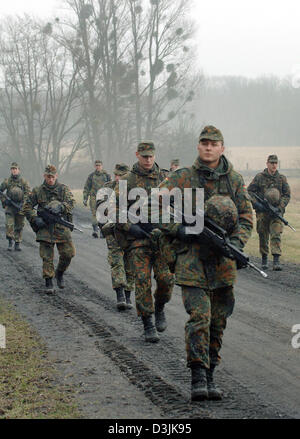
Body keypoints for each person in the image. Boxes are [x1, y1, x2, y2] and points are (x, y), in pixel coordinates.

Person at [157, 126, 253, 401]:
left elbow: (246, 216)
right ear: (198, 147)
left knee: (218, 322)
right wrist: (179, 229)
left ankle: (211, 374)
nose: (208, 147)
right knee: (199, 318)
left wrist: (237, 243)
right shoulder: (182, 177)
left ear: (222, 147)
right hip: (192, 262)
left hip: (223, 263)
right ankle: (198, 374)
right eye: (204, 143)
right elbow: (154, 206)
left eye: (214, 143)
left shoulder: (234, 180)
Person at [113, 142, 174, 343]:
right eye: (144, 156)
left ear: (154, 156)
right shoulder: (126, 180)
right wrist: (130, 227)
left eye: (151, 156)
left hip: (162, 239)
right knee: (142, 281)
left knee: (166, 280)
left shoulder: (166, 178)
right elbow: (115, 210)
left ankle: (160, 307)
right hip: (138, 240)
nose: (148, 160)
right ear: (137, 155)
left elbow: (177, 205)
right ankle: (147, 322)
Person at [23, 165, 76, 293]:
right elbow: (27, 207)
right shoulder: (38, 191)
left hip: (61, 227)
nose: (50, 179)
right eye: (48, 176)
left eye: (52, 176)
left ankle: (59, 273)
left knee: (69, 254)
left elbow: (71, 202)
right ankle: (48, 281)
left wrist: (62, 207)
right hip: (45, 228)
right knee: (47, 257)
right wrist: (35, 218)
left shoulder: (63, 189)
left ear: (56, 176)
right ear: (44, 176)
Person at [97, 163, 134, 311]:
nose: (117, 178)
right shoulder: (107, 188)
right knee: (117, 261)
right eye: (116, 175)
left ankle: (128, 294)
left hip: (131, 231)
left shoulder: (133, 188)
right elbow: (101, 206)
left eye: (121, 175)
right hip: (113, 231)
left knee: (130, 264)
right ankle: (120, 295)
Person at [247, 154, 291, 271]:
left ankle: (276, 260)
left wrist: (280, 207)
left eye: (275, 163)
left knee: (276, 233)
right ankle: (264, 259)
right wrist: (257, 204)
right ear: (267, 163)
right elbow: (250, 191)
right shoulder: (259, 177)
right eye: (271, 163)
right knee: (263, 234)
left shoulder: (281, 179)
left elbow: (287, 195)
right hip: (263, 212)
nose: (274, 165)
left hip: (276, 212)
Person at [0, 162, 30, 251]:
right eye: (12, 169)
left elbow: (28, 193)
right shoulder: (7, 181)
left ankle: (17, 243)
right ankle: (10, 242)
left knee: (19, 226)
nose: (14, 171)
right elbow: (0, 191)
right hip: (10, 207)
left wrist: (23, 204)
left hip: (20, 206)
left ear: (18, 170)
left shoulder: (23, 181)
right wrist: (5, 201)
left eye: (15, 169)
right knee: (9, 225)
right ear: (11, 170)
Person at [83, 160, 111, 238]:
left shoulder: (107, 176)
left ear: (102, 166)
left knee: (104, 213)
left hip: (104, 198)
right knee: (94, 214)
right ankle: (95, 229)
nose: (98, 167)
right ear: (95, 166)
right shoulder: (91, 176)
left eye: (99, 165)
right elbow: (87, 187)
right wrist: (85, 198)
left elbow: (111, 186)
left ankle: (102, 231)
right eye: (96, 165)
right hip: (94, 197)